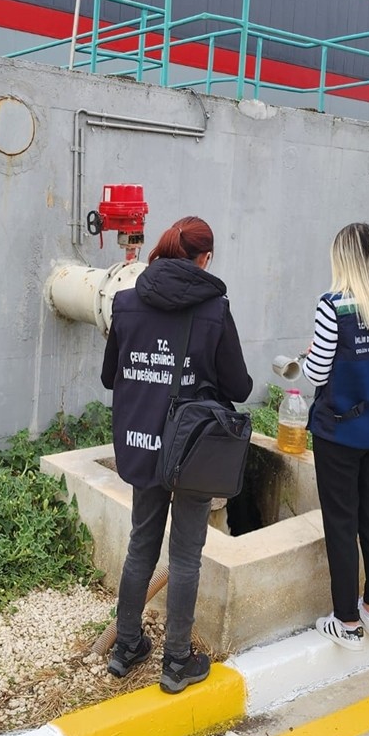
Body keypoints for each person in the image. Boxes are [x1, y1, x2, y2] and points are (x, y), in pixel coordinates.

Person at [100, 216, 253, 693]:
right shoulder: (214, 309)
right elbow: (239, 386)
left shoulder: (126, 302)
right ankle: (177, 662)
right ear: (205, 259)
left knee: (141, 544)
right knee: (186, 554)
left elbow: (109, 377)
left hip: (142, 442)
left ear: (164, 250)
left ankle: (126, 647)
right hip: (191, 449)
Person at [302, 223, 369, 650]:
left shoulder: (333, 306)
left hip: (340, 432)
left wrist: (310, 357)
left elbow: (317, 373)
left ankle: (346, 621)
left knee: (341, 522)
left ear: (341, 258)